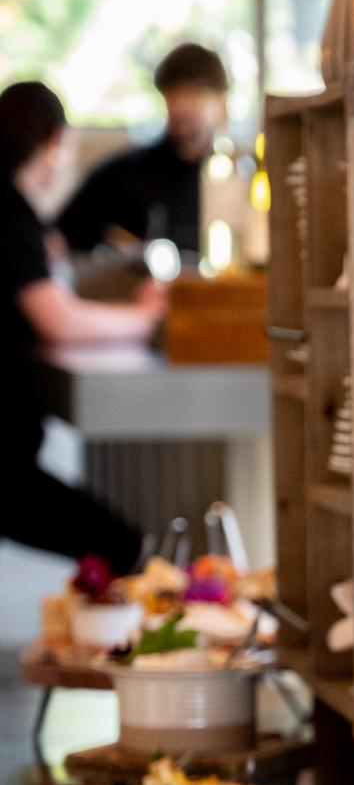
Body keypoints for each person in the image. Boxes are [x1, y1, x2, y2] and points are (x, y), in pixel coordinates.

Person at [0, 80, 165, 570]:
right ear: (53, 142)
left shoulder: (15, 216)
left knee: (118, 545)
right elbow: (59, 320)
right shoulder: (7, 212)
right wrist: (143, 317)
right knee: (124, 548)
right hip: (4, 469)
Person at [57, 42, 228, 257]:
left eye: (194, 94)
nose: (182, 107)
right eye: (173, 95)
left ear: (222, 102)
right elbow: (61, 240)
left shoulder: (235, 179)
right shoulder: (122, 176)